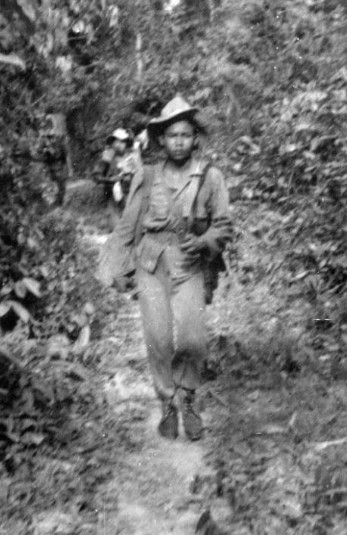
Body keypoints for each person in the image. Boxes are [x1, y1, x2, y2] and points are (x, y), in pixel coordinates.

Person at [100, 95, 233, 441]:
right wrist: (117, 269)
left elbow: (224, 225)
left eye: (186, 135)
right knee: (158, 339)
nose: (179, 142)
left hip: (189, 264)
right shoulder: (146, 176)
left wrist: (203, 243)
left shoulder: (211, 177)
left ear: (195, 139)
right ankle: (168, 404)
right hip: (151, 264)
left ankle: (188, 399)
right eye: (172, 135)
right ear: (161, 139)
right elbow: (128, 226)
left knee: (192, 338)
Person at [94, 128, 140, 229]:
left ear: (126, 142)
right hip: (112, 195)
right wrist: (111, 180)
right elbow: (96, 176)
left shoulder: (133, 155)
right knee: (116, 227)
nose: (119, 144)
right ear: (113, 143)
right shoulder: (107, 157)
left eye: (122, 141)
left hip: (130, 194)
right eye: (116, 141)